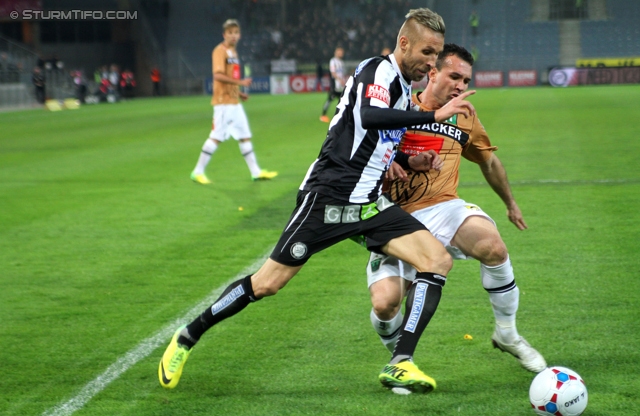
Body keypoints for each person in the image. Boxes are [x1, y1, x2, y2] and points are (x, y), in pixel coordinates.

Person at [159, 8, 476, 394]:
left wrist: (408, 160)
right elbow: (369, 115)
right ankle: (187, 336)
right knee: (267, 284)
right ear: (404, 43)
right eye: (427, 53)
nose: (432, 64)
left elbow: (375, 139)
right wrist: (432, 116)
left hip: (369, 204)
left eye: (436, 56)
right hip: (328, 199)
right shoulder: (378, 71)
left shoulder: (402, 87)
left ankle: (401, 362)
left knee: (437, 260)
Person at [366, 44, 546, 373]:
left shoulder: (465, 117)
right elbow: (359, 147)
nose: (461, 86)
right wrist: (390, 161)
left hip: (444, 206)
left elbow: (489, 162)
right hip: (395, 217)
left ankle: (507, 333)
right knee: (385, 305)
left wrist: (510, 203)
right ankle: (399, 357)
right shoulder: (399, 106)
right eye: (454, 76)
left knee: (493, 246)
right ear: (432, 73)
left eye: (466, 80)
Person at [190, 19, 277, 184]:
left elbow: (231, 77)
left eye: (236, 32)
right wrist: (241, 83)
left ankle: (256, 172)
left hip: (234, 102)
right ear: (224, 34)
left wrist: (239, 93)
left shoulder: (234, 53)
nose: (233, 36)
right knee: (216, 137)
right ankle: (197, 171)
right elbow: (218, 76)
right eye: (230, 33)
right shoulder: (219, 51)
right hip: (223, 102)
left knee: (245, 136)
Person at [319, 47, 346, 123]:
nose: (341, 53)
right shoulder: (333, 61)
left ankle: (343, 116)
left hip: (340, 85)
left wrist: (343, 81)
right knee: (330, 99)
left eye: (342, 52)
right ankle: (323, 115)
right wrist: (340, 80)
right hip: (335, 85)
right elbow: (333, 73)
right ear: (336, 52)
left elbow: (341, 73)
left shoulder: (341, 62)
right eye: (339, 52)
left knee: (342, 100)